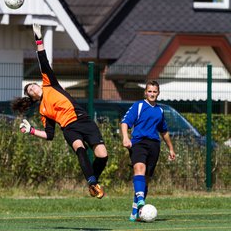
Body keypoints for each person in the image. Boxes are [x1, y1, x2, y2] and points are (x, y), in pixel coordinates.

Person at [12, 24, 108, 199]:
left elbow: (43, 60)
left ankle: (93, 180)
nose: (33, 89)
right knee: (80, 149)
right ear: (32, 98)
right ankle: (92, 182)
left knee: (102, 156)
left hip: (84, 120)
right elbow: (50, 135)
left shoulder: (50, 84)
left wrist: (38, 39)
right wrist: (31, 131)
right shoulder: (42, 110)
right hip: (69, 128)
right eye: (29, 92)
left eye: (33, 86)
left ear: (38, 84)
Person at [120, 80, 176, 221]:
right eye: (149, 91)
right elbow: (125, 122)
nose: (152, 94)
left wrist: (171, 148)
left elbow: (164, 132)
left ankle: (135, 210)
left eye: (154, 91)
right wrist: (126, 138)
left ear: (158, 93)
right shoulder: (138, 105)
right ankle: (140, 200)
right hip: (138, 142)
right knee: (139, 168)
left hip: (154, 146)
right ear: (145, 92)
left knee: (146, 179)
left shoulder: (160, 110)